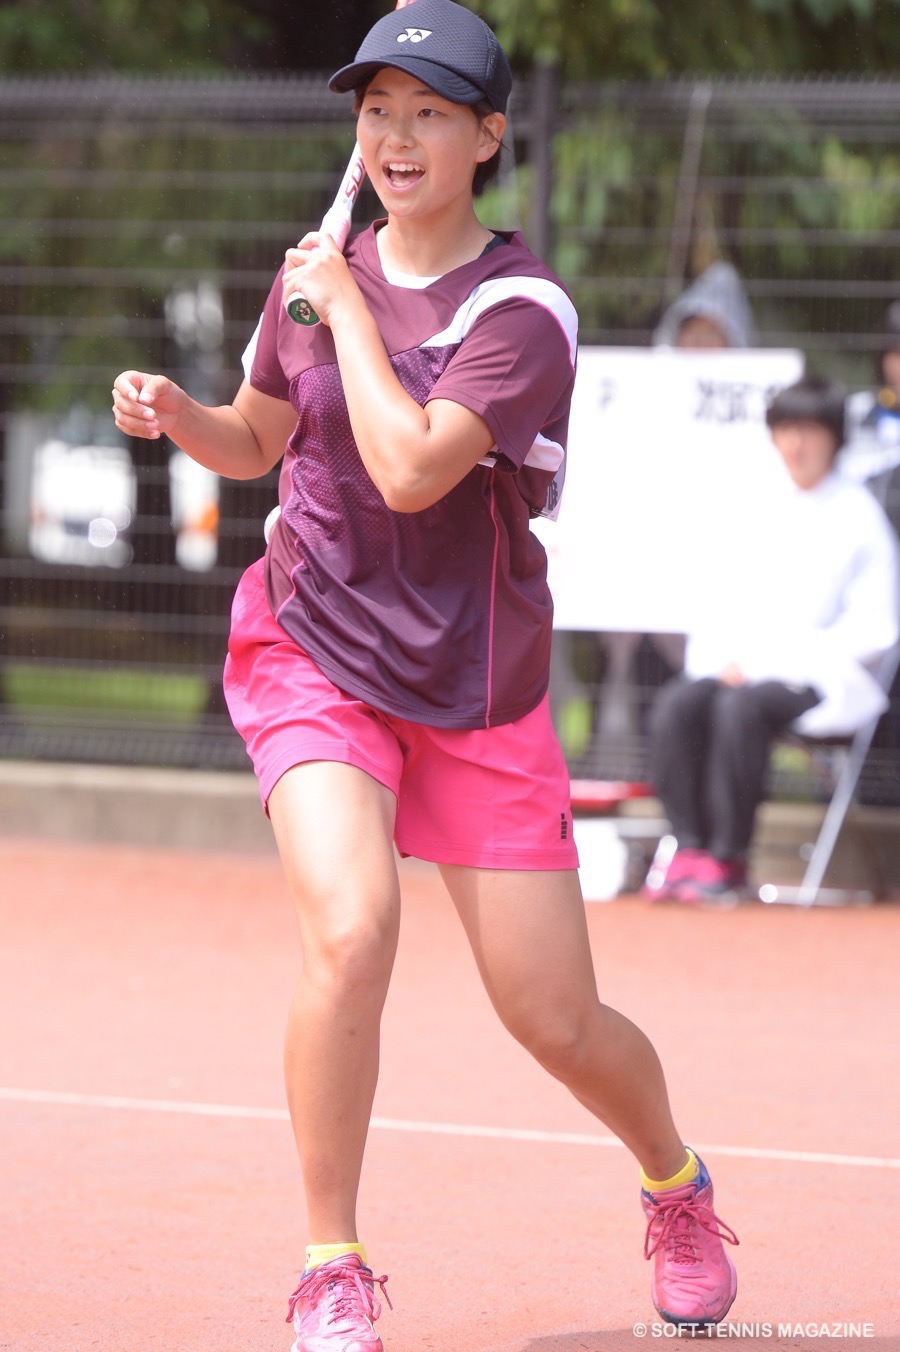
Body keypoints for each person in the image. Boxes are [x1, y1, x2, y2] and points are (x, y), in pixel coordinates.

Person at [112, 2, 739, 1345]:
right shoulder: (317, 277)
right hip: (312, 643)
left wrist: (340, 305)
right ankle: (329, 1261)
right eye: (377, 110)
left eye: (428, 113)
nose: (394, 137)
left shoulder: (524, 313)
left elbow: (408, 464)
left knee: (554, 1016)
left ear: (486, 136)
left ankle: (674, 1182)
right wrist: (183, 417)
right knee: (352, 928)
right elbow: (261, 439)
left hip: (474, 684)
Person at [643, 372, 900, 906]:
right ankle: (690, 847)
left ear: (834, 437)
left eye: (810, 430)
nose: (797, 444)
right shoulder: (756, 505)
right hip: (740, 669)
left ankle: (729, 857)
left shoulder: (860, 518)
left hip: (822, 680)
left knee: (740, 709)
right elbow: (720, 597)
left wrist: (769, 664)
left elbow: (874, 629)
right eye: (786, 429)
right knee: (675, 707)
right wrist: (723, 662)